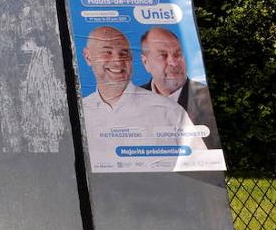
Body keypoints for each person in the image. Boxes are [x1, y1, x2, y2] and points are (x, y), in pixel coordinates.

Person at [79, 26, 203, 165]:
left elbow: (199, 163)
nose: (118, 61)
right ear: (88, 57)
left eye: (124, 53)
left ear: (131, 59)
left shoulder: (168, 110)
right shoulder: (79, 113)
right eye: (107, 52)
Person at [139, 27, 220, 148]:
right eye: (163, 55)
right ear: (145, 62)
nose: (173, 62)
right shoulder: (131, 100)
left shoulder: (208, 98)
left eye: (178, 54)